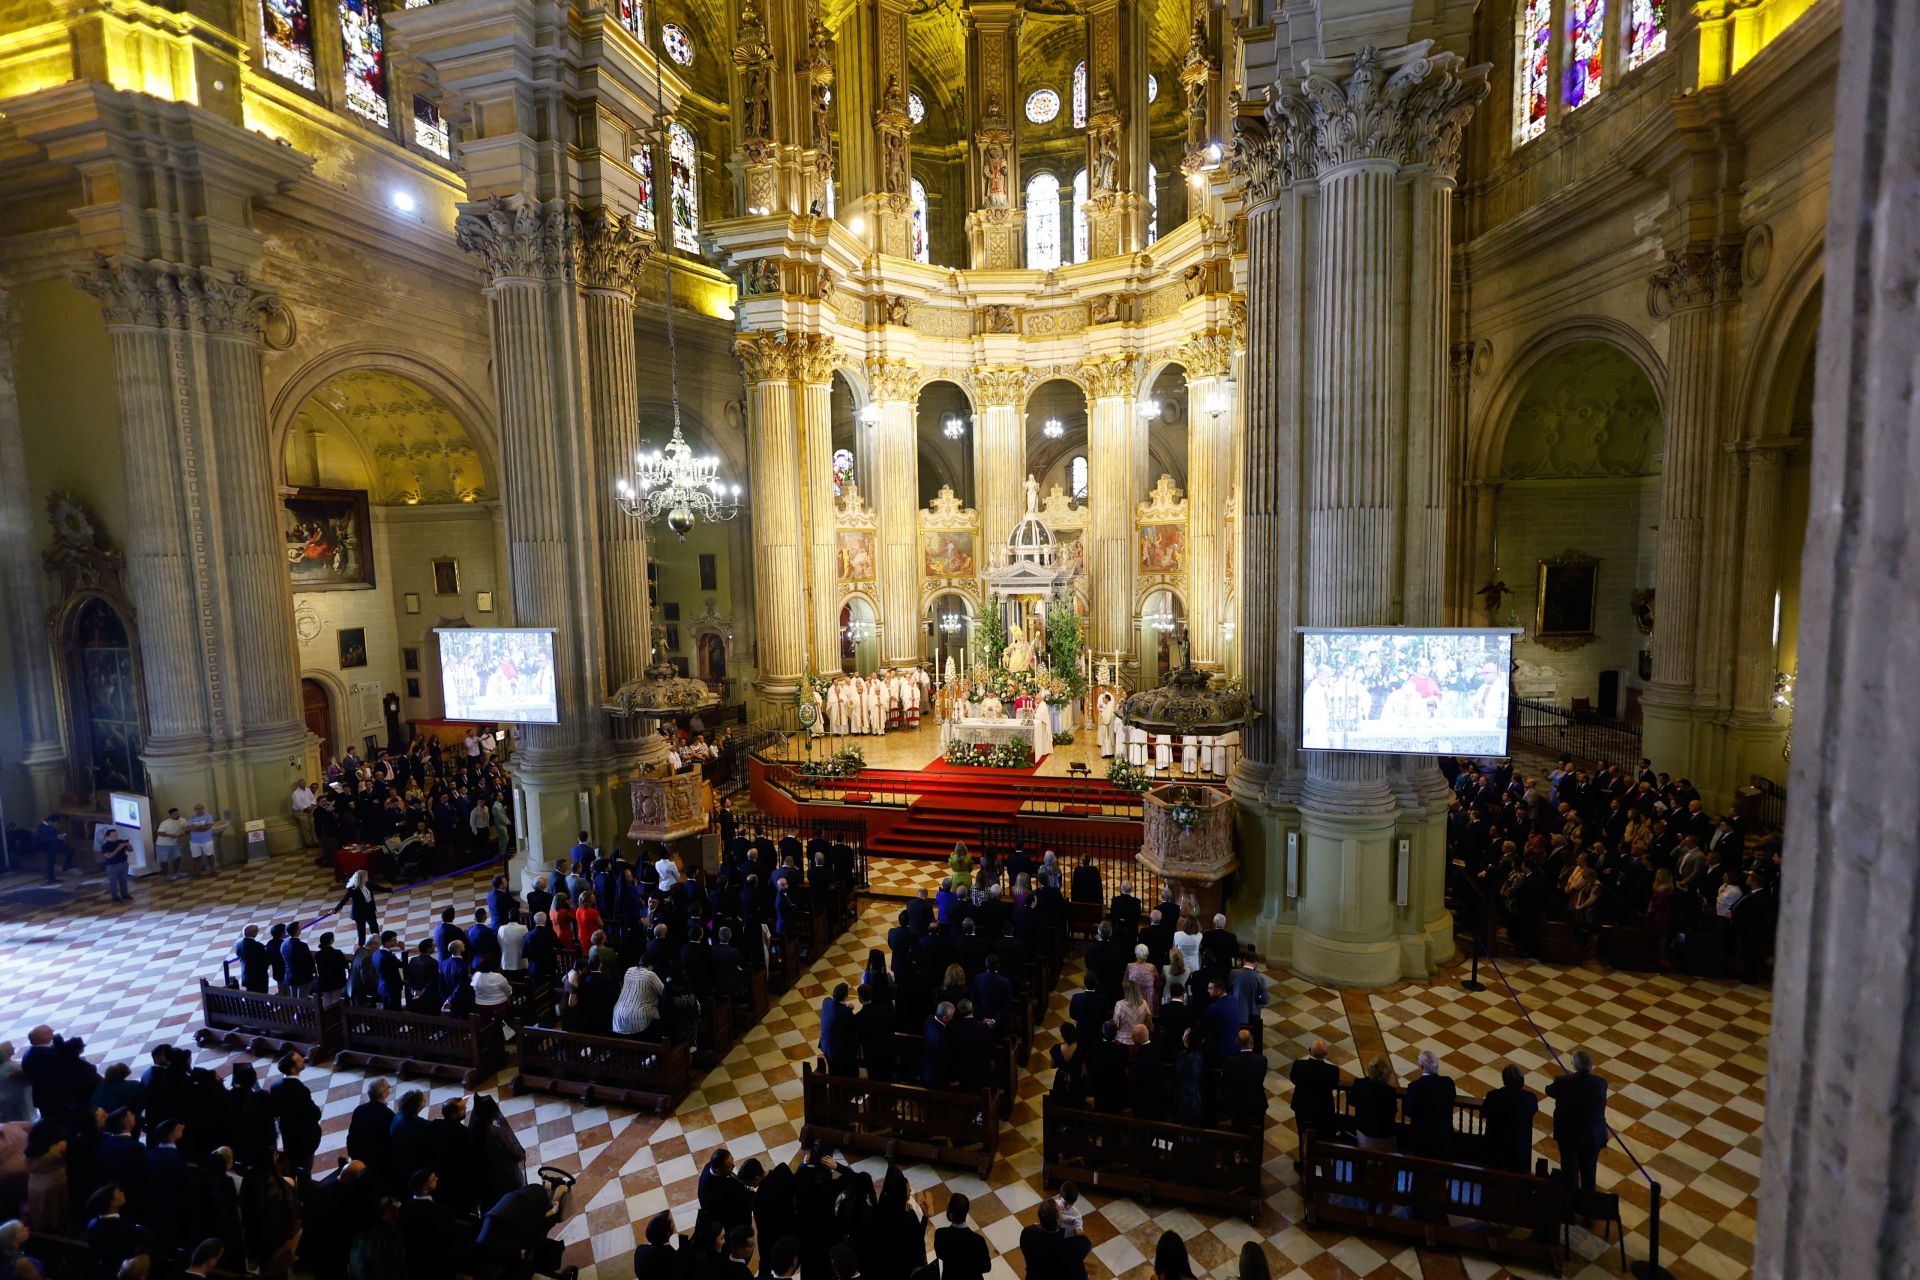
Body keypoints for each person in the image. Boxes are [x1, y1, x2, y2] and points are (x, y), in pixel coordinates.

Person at [1545, 1048, 1609, 1197]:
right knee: (1589, 1173)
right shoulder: (1601, 1083)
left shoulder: (1563, 1082)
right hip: (1593, 1134)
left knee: (1570, 1171)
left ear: (1574, 1065)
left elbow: (1549, 1090)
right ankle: (1588, 1209)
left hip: (1569, 1134)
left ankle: (1569, 1208)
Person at [1481, 1064, 1540, 1173]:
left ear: (1504, 1080)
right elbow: (1533, 1111)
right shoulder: (1530, 1098)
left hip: (1496, 1145)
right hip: (1518, 1146)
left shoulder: (1493, 1096)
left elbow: (1484, 1113)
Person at [1288, 1038, 1340, 1161]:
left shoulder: (1299, 1065)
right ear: (1326, 1054)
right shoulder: (1332, 1071)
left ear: (1309, 1050)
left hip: (1302, 1107)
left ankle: (1303, 1160)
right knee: (1322, 1135)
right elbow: (1333, 1085)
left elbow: (1294, 1079)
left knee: (1303, 1134)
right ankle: (1320, 1161)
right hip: (1323, 1109)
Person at [269, 1052, 321, 1173]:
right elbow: (314, 1113)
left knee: (291, 1163)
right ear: (293, 1069)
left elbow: (275, 1110)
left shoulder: (275, 1086)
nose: (303, 1059)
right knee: (305, 1167)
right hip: (304, 1136)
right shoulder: (301, 1090)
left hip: (287, 1132)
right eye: (299, 1060)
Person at [1018, 1199, 1092, 1279]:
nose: (1062, 1213)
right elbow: (1086, 1244)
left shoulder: (1027, 1233)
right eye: (1061, 1212)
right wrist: (1074, 1230)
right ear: (1057, 1221)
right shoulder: (1070, 1240)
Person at [1403, 1049, 1456, 1160]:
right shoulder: (1448, 1083)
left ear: (1421, 1067)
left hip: (1422, 1141)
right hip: (1443, 1139)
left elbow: (1408, 1111)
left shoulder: (1414, 1087)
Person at [932, 1193, 989, 1280]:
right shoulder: (978, 1240)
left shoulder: (941, 1234)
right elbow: (986, 1267)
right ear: (966, 1211)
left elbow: (940, 1255)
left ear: (949, 1212)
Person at [1222, 1029, 1268, 1131]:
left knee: (1238, 1129)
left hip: (1237, 1104)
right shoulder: (1262, 1060)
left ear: (1237, 1042)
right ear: (1252, 1043)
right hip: (1256, 1103)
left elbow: (1225, 1079)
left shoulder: (1230, 1062)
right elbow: (1260, 1078)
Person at [1348, 1058, 1399, 1151]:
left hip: (1363, 1132)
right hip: (1384, 1134)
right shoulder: (1390, 1091)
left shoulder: (1359, 1084)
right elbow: (1394, 1110)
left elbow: (1351, 1102)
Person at [347, 1078, 394, 1175]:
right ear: (382, 1094)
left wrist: (353, 1156)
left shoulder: (359, 1109)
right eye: (387, 1087)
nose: (390, 1087)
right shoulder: (388, 1114)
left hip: (357, 1156)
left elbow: (352, 1135)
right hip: (377, 1160)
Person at [611, 957, 664, 1036]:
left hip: (617, 1017)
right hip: (638, 1020)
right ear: (651, 965)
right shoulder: (650, 975)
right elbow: (663, 992)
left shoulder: (629, 970)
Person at [333, 871, 383, 947]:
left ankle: (377, 943)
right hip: (359, 914)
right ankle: (361, 946)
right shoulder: (352, 889)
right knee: (361, 931)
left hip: (370, 911)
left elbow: (379, 888)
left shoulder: (369, 884)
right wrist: (336, 909)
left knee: (374, 928)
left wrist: (390, 890)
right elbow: (344, 900)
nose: (367, 877)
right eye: (366, 876)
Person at [819, 982, 858, 1077]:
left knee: (833, 1071)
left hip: (826, 1046)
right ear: (845, 997)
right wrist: (849, 1010)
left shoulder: (826, 1001)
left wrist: (845, 1007)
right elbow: (853, 1026)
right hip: (837, 1052)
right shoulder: (846, 1013)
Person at [100, 827, 133, 902]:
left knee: (123, 880)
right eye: (113, 835)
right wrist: (118, 848)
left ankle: (125, 895)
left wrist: (128, 845)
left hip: (124, 864)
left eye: (116, 835)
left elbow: (131, 850)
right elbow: (109, 856)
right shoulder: (105, 846)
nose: (115, 837)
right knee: (113, 881)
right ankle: (115, 897)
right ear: (107, 837)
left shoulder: (120, 841)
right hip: (113, 866)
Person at [154, 808, 187, 879]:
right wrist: (171, 835)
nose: (176, 815)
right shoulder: (165, 823)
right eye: (174, 814)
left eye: (177, 813)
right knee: (164, 860)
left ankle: (176, 872)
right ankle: (166, 875)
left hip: (175, 844)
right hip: (163, 844)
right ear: (170, 815)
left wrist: (183, 833)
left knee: (177, 857)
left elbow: (186, 828)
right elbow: (159, 832)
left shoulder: (183, 820)